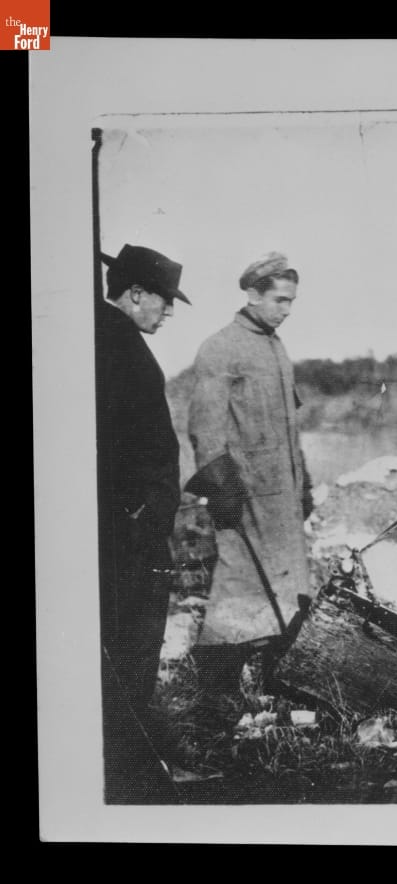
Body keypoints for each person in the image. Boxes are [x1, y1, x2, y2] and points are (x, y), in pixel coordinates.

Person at [186, 252, 313, 692]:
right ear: (252, 294)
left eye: (292, 301)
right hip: (246, 499)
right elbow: (205, 428)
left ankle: (280, 686)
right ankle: (213, 697)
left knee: (290, 591)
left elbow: (288, 425)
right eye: (280, 300)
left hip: (283, 500)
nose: (287, 310)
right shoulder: (220, 347)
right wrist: (222, 491)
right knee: (238, 590)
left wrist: (305, 482)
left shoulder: (276, 348)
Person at [95, 244, 191, 796]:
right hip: (128, 538)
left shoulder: (104, 338)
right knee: (131, 647)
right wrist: (140, 518)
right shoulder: (120, 346)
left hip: (120, 527)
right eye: (163, 300)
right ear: (135, 294)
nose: (168, 311)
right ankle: (128, 772)